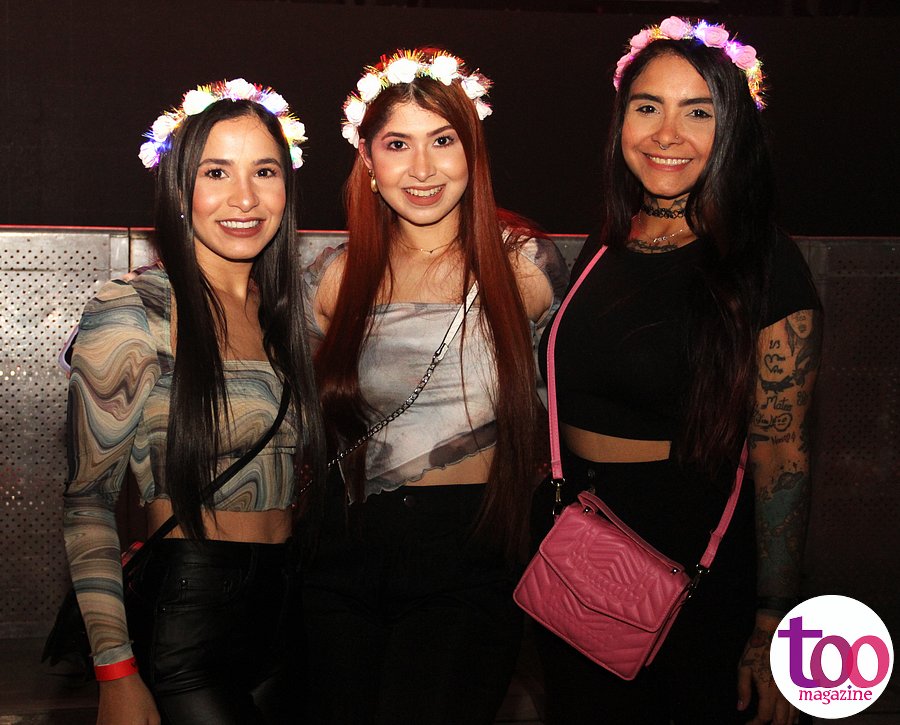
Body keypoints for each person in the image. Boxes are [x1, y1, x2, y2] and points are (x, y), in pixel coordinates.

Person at [533, 17, 822, 725]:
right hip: (577, 540)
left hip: (689, 553)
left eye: (698, 112)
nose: (668, 134)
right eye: (648, 107)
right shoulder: (608, 242)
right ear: (621, 122)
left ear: (733, 130)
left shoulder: (765, 262)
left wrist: (772, 620)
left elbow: (782, 454)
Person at [300, 48, 568, 724]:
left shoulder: (524, 265)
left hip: (468, 559)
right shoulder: (334, 276)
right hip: (341, 558)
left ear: (472, 150)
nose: (422, 168)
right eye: (398, 144)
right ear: (368, 159)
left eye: (443, 141)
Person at [63, 79, 325, 725]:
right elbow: (88, 502)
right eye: (217, 172)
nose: (245, 197)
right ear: (181, 189)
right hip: (190, 615)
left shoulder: (289, 318)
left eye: (264, 171)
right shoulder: (135, 308)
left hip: (291, 611)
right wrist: (115, 670)